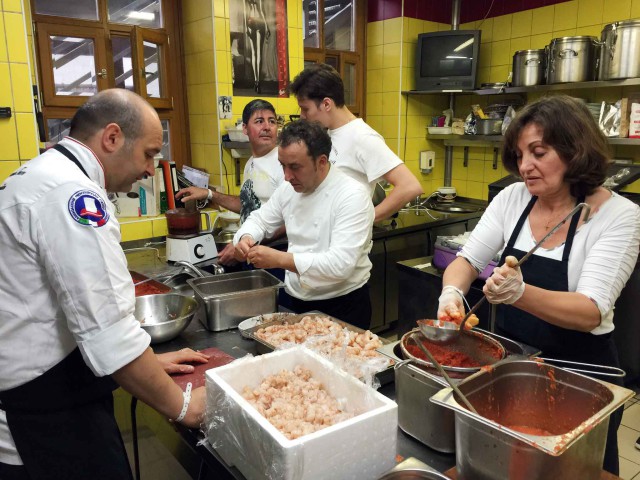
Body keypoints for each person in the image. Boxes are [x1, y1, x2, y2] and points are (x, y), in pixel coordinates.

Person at [0, 89, 209, 480]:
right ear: (112, 138)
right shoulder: (70, 194)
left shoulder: (41, 175)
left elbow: (55, 311)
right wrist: (185, 408)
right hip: (46, 419)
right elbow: (107, 330)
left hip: (42, 393)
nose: (151, 169)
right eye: (148, 154)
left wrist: (148, 363)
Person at [437, 95, 640, 475]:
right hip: (512, 366)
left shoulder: (619, 216)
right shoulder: (515, 198)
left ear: (575, 151)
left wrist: (521, 293)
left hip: (579, 377)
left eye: (539, 152)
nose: (525, 167)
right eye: (519, 155)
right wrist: (452, 292)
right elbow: (467, 260)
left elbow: (590, 311)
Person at [233, 120, 375, 329]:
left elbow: (340, 265)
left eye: (295, 167)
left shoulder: (351, 195)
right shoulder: (288, 188)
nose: (287, 176)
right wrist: (245, 238)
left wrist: (280, 260)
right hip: (298, 301)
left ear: (322, 162)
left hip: (343, 306)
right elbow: (260, 219)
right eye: (283, 166)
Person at [289, 63, 423, 221]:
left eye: (305, 109)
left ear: (326, 104)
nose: (303, 116)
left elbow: (410, 186)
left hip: (347, 240)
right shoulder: (328, 134)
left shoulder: (363, 137)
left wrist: (365, 220)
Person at [176, 99, 285, 267]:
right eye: (259, 121)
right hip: (251, 251)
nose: (267, 127)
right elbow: (247, 204)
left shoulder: (283, 163)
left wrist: (244, 244)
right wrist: (209, 194)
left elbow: (289, 219)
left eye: (272, 121)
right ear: (244, 129)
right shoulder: (251, 163)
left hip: (274, 255)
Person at [244, 0, 270, 93]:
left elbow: (245, 12)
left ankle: (256, 81)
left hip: (251, 21)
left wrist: (245, 27)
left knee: (255, 54)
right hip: (258, 21)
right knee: (257, 53)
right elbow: (262, 11)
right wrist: (267, 27)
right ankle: (257, 82)